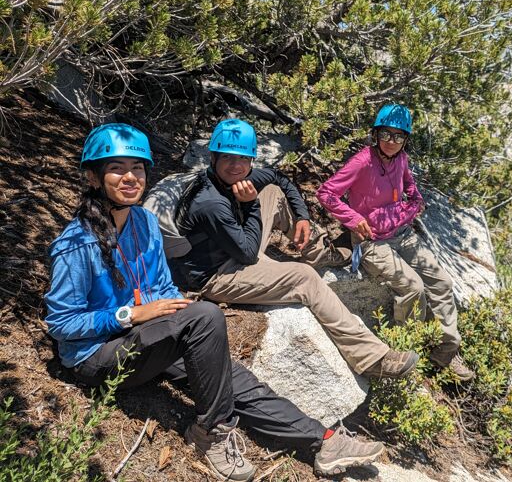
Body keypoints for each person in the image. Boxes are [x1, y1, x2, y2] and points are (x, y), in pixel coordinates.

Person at [45, 123, 386, 481]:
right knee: (205, 317)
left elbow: (161, 285)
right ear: (93, 177)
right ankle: (210, 434)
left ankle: (322, 441)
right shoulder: (76, 244)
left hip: (145, 338)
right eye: (117, 168)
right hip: (96, 358)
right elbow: (62, 325)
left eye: (138, 168)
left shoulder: (144, 221)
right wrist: (130, 314)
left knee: (230, 374)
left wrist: (168, 311)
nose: (131, 177)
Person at [169, 118, 418, 379]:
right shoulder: (210, 203)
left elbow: (280, 179)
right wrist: (251, 205)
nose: (237, 166)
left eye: (243, 159)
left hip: (232, 246)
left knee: (273, 192)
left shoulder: (235, 177)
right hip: (217, 274)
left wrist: (301, 217)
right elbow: (248, 253)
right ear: (214, 156)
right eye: (229, 158)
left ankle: (321, 253)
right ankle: (372, 359)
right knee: (305, 278)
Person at [317, 105, 475, 382]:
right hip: (371, 240)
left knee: (441, 283)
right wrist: (352, 218)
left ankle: (445, 354)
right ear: (376, 134)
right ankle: (408, 351)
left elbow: (409, 185)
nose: (391, 141)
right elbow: (327, 193)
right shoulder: (362, 161)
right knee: (412, 286)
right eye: (386, 134)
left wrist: (415, 201)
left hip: (401, 232)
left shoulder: (401, 160)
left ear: (405, 140)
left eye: (398, 136)